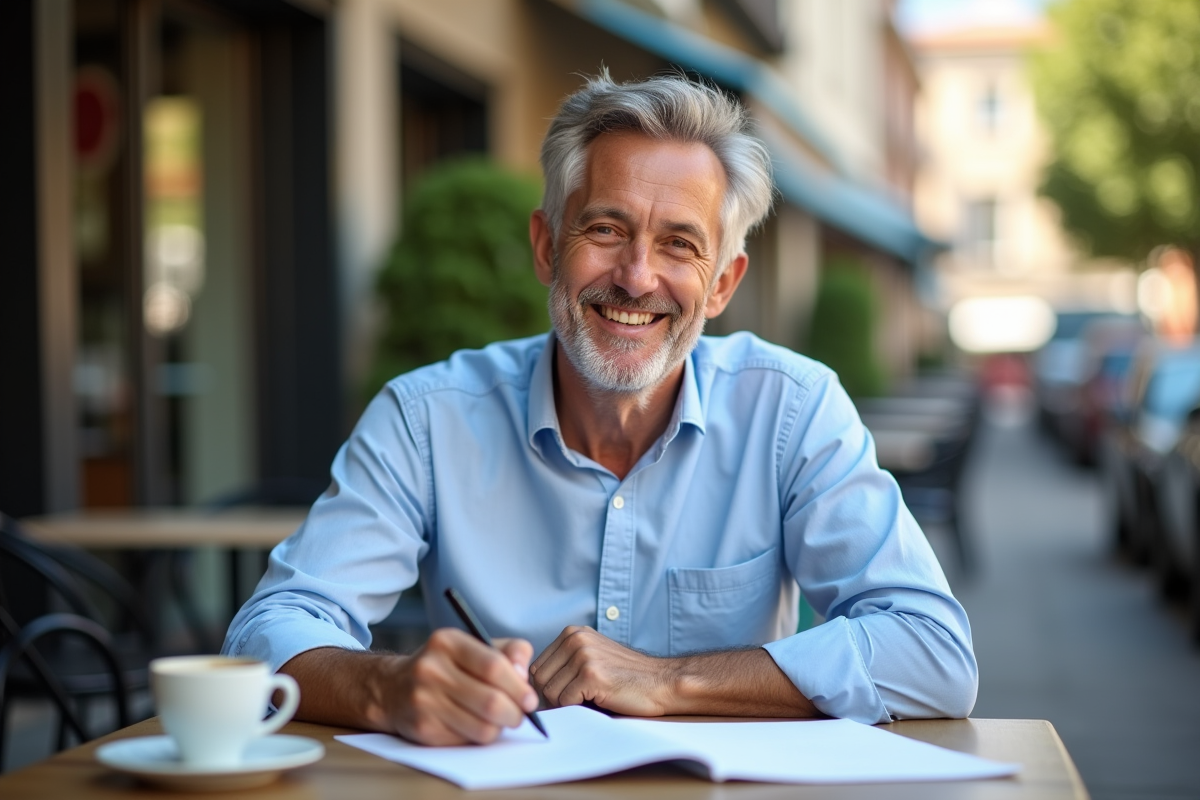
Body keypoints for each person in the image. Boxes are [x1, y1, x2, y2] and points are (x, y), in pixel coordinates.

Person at [223, 71, 977, 746]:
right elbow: (265, 634)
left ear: (721, 283)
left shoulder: (794, 409)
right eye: (606, 229)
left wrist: (663, 679)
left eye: (680, 244)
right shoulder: (427, 418)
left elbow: (933, 654)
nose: (637, 277)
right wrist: (385, 687)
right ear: (548, 246)